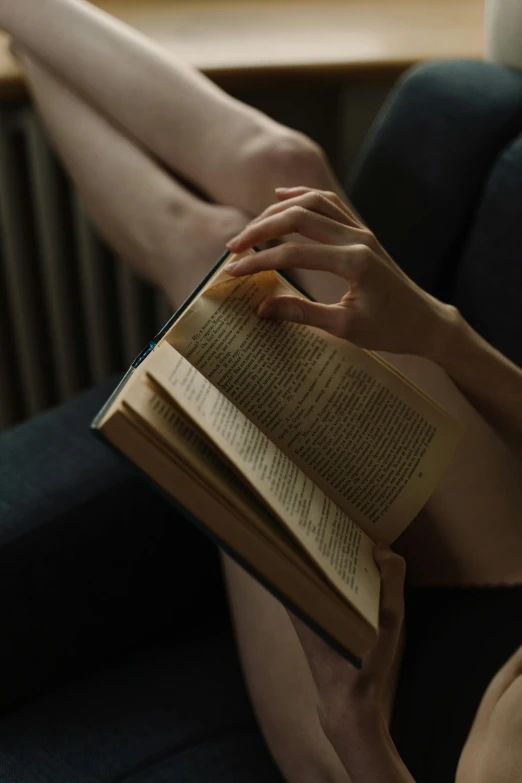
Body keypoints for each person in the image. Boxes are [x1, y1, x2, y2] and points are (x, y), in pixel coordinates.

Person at [1, 1, 522, 781]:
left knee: (196, 250)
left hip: (397, 732)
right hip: (509, 568)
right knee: (282, 166)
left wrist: (353, 727)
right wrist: (432, 327)